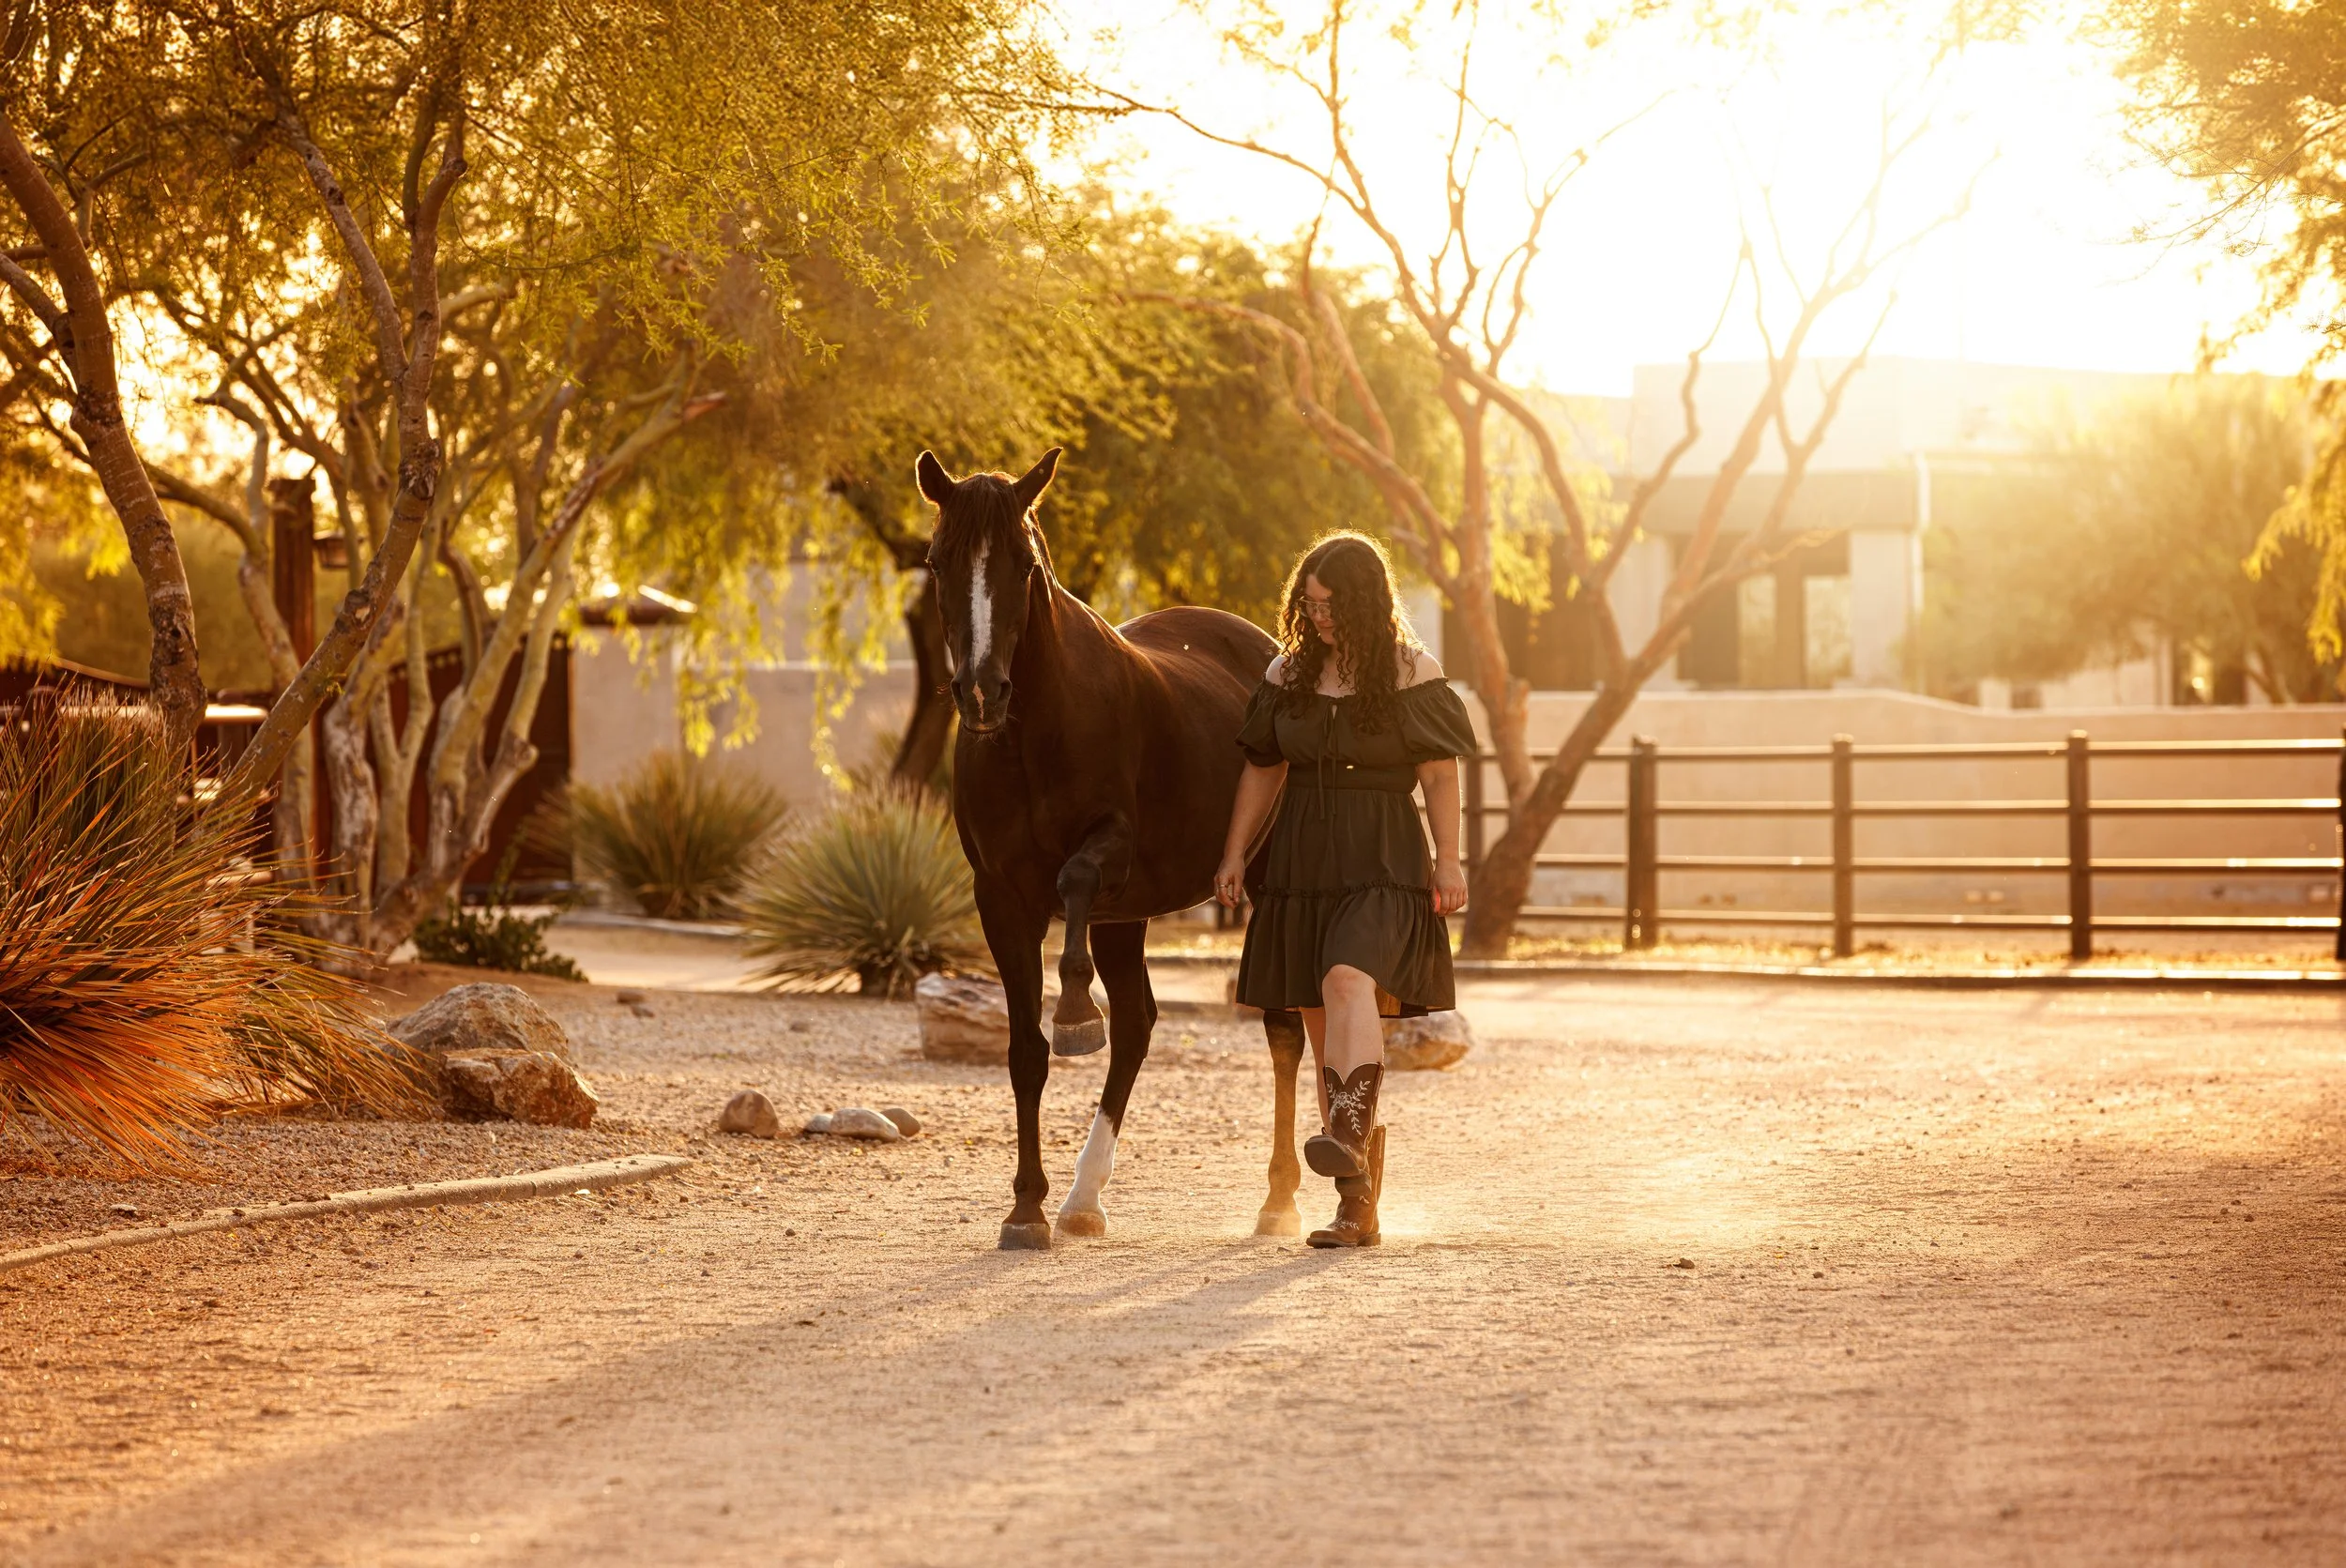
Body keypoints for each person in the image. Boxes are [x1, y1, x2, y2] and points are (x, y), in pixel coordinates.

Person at [1214, 532, 1474, 1248]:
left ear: (1365, 600)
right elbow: (1263, 768)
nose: (1318, 615)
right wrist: (1234, 851)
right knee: (1322, 1023)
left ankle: (1349, 1137)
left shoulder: (1412, 671)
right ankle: (1357, 1207)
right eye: (1310, 603)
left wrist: (1450, 860)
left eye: (1331, 604)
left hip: (1385, 856)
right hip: (1303, 859)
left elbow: (1440, 774)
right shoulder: (1288, 671)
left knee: (1348, 979)